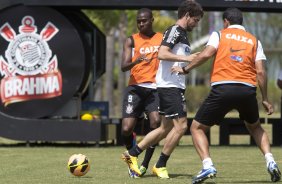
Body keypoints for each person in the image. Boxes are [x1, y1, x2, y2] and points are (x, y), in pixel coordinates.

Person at [172, 7, 281, 183]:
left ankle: (208, 166)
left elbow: (207, 54)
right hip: (247, 90)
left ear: (226, 22)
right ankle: (271, 161)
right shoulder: (254, 40)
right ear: (242, 22)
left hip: (223, 88)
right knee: (255, 127)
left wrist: (185, 69)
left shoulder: (219, 34)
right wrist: (266, 99)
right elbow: (260, 72)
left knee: (197, 128)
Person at [121, 0, 203, 179]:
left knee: (164, 128)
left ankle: (132, 153)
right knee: (181, 127)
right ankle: (160, 164)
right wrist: (188, 58)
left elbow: (172, 57)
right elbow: (162, 53)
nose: (196, 25)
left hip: (174, 86)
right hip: (169, 86)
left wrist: (186, 63)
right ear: (187, 15)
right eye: (195, 20)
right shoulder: (175, 30)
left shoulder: (181, 33)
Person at [120, 8, 163, 178]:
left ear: (151, 20)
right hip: (135, 88)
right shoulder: (131, 40)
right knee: (126, 128)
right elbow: (123, 67)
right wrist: (135, 61)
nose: (140, 24)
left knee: (155, 123)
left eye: (144, 21)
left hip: (155, 88)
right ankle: (132, 159)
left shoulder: (161, 38)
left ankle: (144, 164)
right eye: (138, 21)